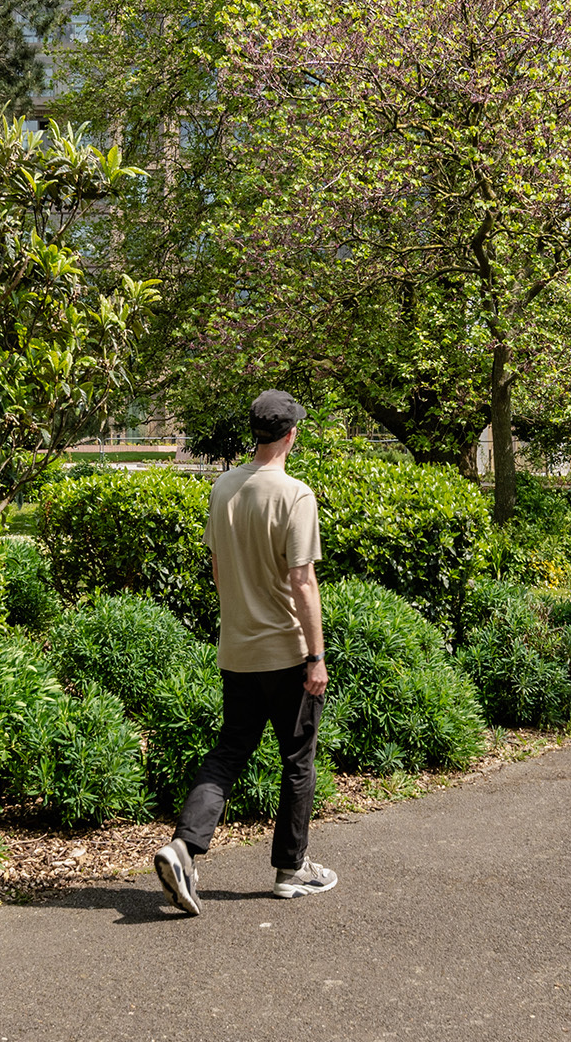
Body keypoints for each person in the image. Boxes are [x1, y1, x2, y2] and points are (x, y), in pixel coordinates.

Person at [151, 391, 337, 913]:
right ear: (291, 434)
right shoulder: (296, 494)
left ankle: (183, 847)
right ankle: (290, 868)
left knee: (230, 751)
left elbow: (217, 571)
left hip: (237, 652)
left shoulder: (223, 488)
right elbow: (303, 582)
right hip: (286, 653)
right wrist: (316, 656)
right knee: (298, 759)